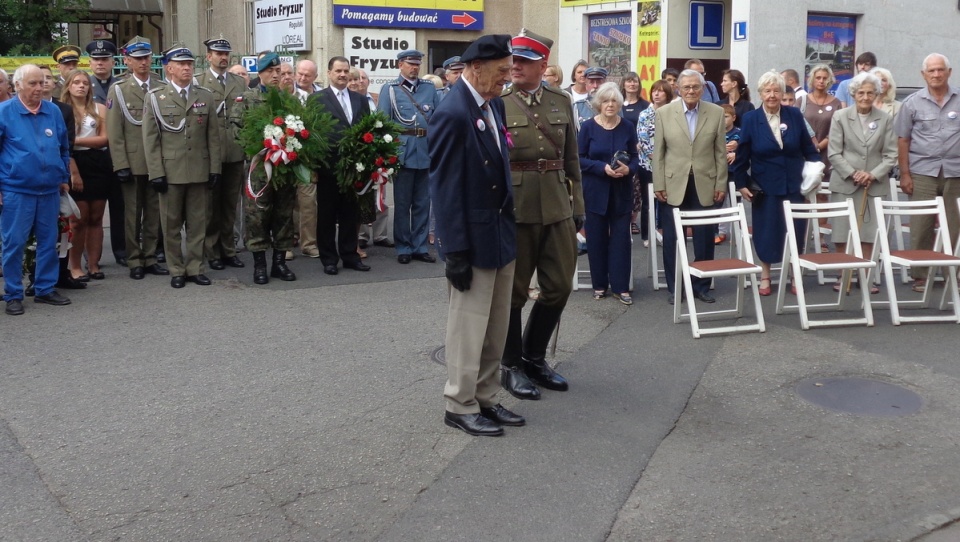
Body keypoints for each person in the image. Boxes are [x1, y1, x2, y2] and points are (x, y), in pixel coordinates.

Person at [429, 34, 523, 437]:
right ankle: (459, 402)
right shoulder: (452, 111)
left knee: (495, 326)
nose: (508, 78)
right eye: (501, 71)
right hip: (471, 238)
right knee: (468, 328)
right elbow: (445, 188)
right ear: (475, 68)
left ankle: (485, 395)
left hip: (499, 232)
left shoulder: (493, 103)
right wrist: (455, 252)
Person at [499, 28, 584, 400]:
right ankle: (511, 365)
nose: (515, 66)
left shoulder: (559, 100)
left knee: (559, 286)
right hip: (516, 208)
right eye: (513, 59)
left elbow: (571, 159)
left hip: (556, 205)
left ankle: (534, 357)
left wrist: (576, 207)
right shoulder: (498, 101)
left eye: (524, 61)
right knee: (513, 294)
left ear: (542, 65)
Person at [733, 71, 821, 295]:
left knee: (796, 230)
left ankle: (794, 274)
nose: (772, 95)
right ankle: (765, 274)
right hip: (765, 186)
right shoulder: (751, 118)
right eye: (767, 91)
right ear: (761, 93)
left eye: (776, 91)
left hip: (794, 184)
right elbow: (742, 154)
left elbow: (809, 150)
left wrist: (815, 172)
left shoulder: (793, 115)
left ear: (783, 93)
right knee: (767, 231)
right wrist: (741, 182)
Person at [142, 44, 221, 289]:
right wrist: (156, 172)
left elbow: (213, 137)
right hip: (171, 171)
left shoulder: (205, 96)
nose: (187, 68)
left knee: (198, 223)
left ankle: (195, 267)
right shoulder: (156, 97)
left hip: (199, 169)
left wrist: (215, 169)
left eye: (189, 64)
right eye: (182, 64)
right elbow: (151, 139)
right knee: (171, 224)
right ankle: (176, 268)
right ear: (169, 69)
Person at [1, 64, 73, 315]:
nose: (38, 88)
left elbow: (64, 146)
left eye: (41, 83)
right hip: (16, 190)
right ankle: (13, 293)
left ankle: (44, 288)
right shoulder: (4, 112)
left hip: (49, 189)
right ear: (17, 85)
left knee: (48, 242)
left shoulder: (52, 111)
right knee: (14, 243)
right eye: (32, 83)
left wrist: (63, 175)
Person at [653, 69, 728, 305]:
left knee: (705, 238)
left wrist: (721, 183)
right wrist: (659, 183)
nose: (691, 91)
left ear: (703, 88)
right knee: (673, 240)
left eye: (696, 87)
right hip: (673, 182)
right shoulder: (665, 113)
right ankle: (676, 288)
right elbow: (659, 153)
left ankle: (702, 286)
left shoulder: (715, 113)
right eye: (686, 87)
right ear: (678, 89)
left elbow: (720, 152)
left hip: (705, 182)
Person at [230, 53, 298, 284]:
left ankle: (279, 263)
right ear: (260, 73)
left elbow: (299, 126)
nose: (275, 75)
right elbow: (236, 128)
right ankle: (260, 265)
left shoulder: (289, 99)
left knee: (284, 213)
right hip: (259, 167)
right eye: (270, 71)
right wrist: (259, 146)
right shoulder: (248, 97)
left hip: (285, 166)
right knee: (257, 215)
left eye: (278, 71)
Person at [895, 53, 960, 292]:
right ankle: (921, 274)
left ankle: (953, 272)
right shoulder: (912, 103)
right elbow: (903, 140)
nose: (936, 74)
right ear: (923, 75)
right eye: (931, 71)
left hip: (955, 172)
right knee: (921, 223)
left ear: (949, 72)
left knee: (955, 224)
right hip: (922, 171)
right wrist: (904, 174)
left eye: (940, 70)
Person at [827, 71, 897, 290]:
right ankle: (844, 276)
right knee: (841, 231)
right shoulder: (840, 116)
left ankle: (865, 276)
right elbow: (834, 152)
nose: (865, 97)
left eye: (870, 93)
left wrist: (873, 174)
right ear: (853, 94)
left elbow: (891, 154)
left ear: (876, 94)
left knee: (868, 231)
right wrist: (853, 172)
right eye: (861, 93)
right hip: (845, 182)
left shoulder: (885, 118)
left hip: (873, 184)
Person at [106, 36, 168, 280]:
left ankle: (150, 256)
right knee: (132, 214)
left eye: (146, 57)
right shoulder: (119, 89)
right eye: (138, 58)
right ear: (128, 61)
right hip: (132, 163)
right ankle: (134, 260)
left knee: (154, 213)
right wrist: (120, 163)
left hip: (157, 162)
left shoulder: (160, 85)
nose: (143, 62)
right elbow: (115, 131)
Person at [579, 82, 640, 305]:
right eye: (606, 101)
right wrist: (601, 168)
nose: (610, 105)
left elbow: (635, 157)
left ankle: (621, 287)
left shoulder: (627, 126)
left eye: (614, 101)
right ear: (599, 104)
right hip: (595, 190)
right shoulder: (587, 127)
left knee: (621, 240)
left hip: (621, 191)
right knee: (595, 239)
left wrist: (629, 169)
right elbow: (579, 158)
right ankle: (599, 285)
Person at [310, 56, 372, 274]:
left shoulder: (360, 100)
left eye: (346, 71)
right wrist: (314, 167)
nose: (343, 75)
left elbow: (367, 132)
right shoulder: (317, 99)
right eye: (338, 71)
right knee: (326, 214)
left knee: (350, 213)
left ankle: (349, 255)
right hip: (328, 167)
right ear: (329, 73)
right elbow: (313, 134)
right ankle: (328, 258)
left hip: (354, 167)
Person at [378, 50, 439, 264]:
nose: (414, 68)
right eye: (410, 64)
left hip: (426, 150)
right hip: (403, 151)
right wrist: (387, 155)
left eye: (417, 64)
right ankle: (403, 247)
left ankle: (420, 246)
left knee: (423, 203)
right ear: (400, 65)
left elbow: (438, 120)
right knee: (403, 204)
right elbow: (383, 123)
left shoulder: (429, 88)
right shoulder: (391, 90)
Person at [197, 36, 247, 272]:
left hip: (235, 151)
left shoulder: (239, 83)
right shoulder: (200, 82)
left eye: (226, 54)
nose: (223, 57)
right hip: (211, 153)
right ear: (209, 57)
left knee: (230, 205)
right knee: (211, 206)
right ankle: (211, 250)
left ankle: (229, 249)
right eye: (218, 53)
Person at [61, 69, 111, 282]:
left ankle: (93, 264)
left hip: (98, 163)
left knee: (96, 218)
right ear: (69, 86)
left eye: (85, 82)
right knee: (78, 220)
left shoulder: (99, 108)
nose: (81, 86)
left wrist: (76, 141)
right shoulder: (62, 110)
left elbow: (103, 139)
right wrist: (74, 172)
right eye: (76, 82)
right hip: (75, 163)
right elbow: (64, 146)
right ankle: (74, 266)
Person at [84, 40, 126, 267]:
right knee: (91, 211)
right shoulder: (82, 85)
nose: (100, 63)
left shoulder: (121, 85)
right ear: (90, 62)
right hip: (93, 159)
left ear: (112, 62)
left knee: (120, 207)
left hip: (117, 155)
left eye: (105, 59)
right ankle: (91, 256)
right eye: (96, 59)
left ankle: (121, 250)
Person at [355, 67, 392, 251]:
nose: (360, 81)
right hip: (359, 155)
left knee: (380, 195)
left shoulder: (377, 99)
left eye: (364, 78)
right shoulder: (352, 102)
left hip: (377, 152)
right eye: (357, 78)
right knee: (361, 195)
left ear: (369, 82)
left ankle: (381, 235)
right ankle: (361, 235)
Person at [636, 79, 675, 248]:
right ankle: (647, 235)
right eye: (654, 91)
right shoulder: (645, 114)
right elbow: (643, 139)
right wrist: (655, 157)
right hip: (648, 164)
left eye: (660, 91)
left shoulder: (672, 112)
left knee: (668, 200)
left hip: (670, 163)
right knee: (648, 201)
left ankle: (666, 232)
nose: (656, 94)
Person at [620, 72, 650, 237]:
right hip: (621, 151)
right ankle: (623, 219)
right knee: (625, 187)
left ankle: (633, 221)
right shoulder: (618, 105)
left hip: (640, 152)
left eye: (635, 81)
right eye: (629, 81)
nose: (632, 84)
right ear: (623, 84)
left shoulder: (645, 105)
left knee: (638, 189)